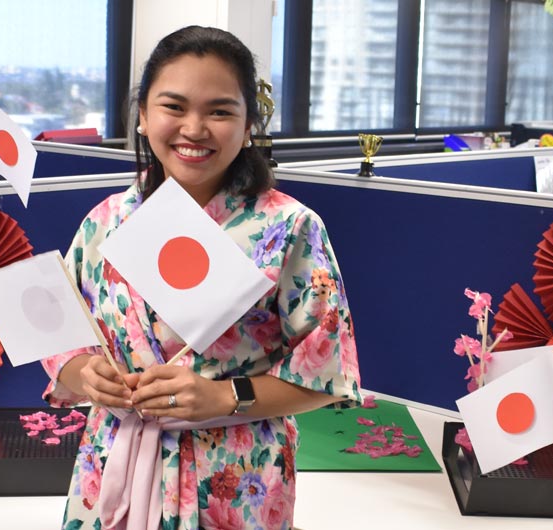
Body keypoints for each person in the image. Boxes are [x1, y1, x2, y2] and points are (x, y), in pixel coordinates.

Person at [41, 25, 361, 530]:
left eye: (219, 111)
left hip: (234, 479)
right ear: (143, 116)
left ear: (249, 124)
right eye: (173, 106)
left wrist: (224, 396)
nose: (194, 128)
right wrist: (84, 375)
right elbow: (61, 338)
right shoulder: (105, 220)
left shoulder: (289, 228)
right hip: (113, 461)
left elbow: (327, 374)